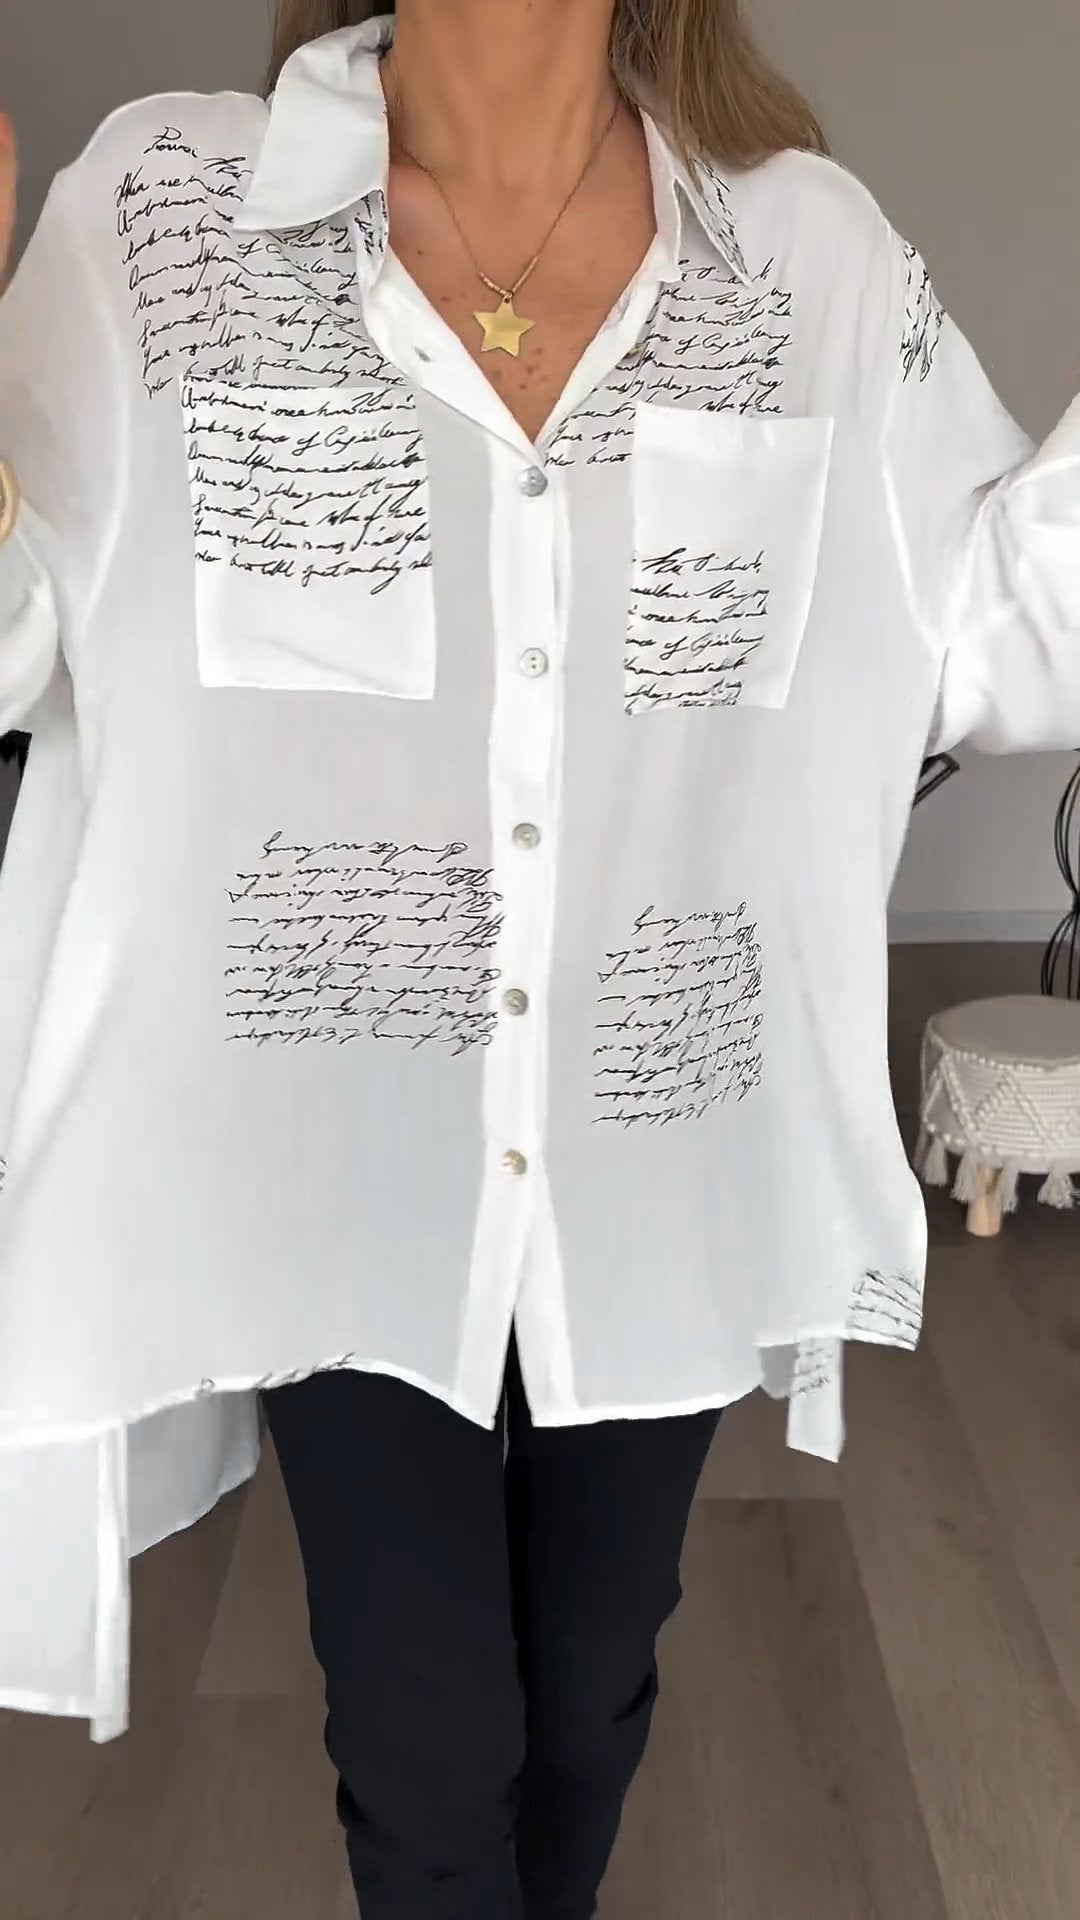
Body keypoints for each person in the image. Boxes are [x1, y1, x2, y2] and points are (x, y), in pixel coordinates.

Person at [0, 1, 1078, 1914]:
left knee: (588, 1695)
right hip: (334, 1150)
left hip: (661, 1141)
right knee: (424, 1747)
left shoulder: (808, 260)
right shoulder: (165, 219)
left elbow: (998, 631)